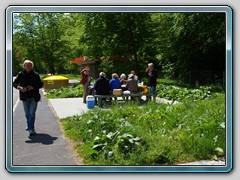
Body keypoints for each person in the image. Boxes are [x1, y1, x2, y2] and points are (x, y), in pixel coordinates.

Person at [13, 60, 43, 137]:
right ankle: (29, 124)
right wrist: (19, 87)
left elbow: (40, 84)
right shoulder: (20, 74)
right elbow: (14, 83)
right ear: (24, 66)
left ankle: (31, 129)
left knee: (32, 113)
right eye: (27, 65)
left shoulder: (36, 74)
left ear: (32, 66)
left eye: (30, 65)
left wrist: (33, 87)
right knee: (27, 114)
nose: (28, 67)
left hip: (34, 96)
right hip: (24, 97)